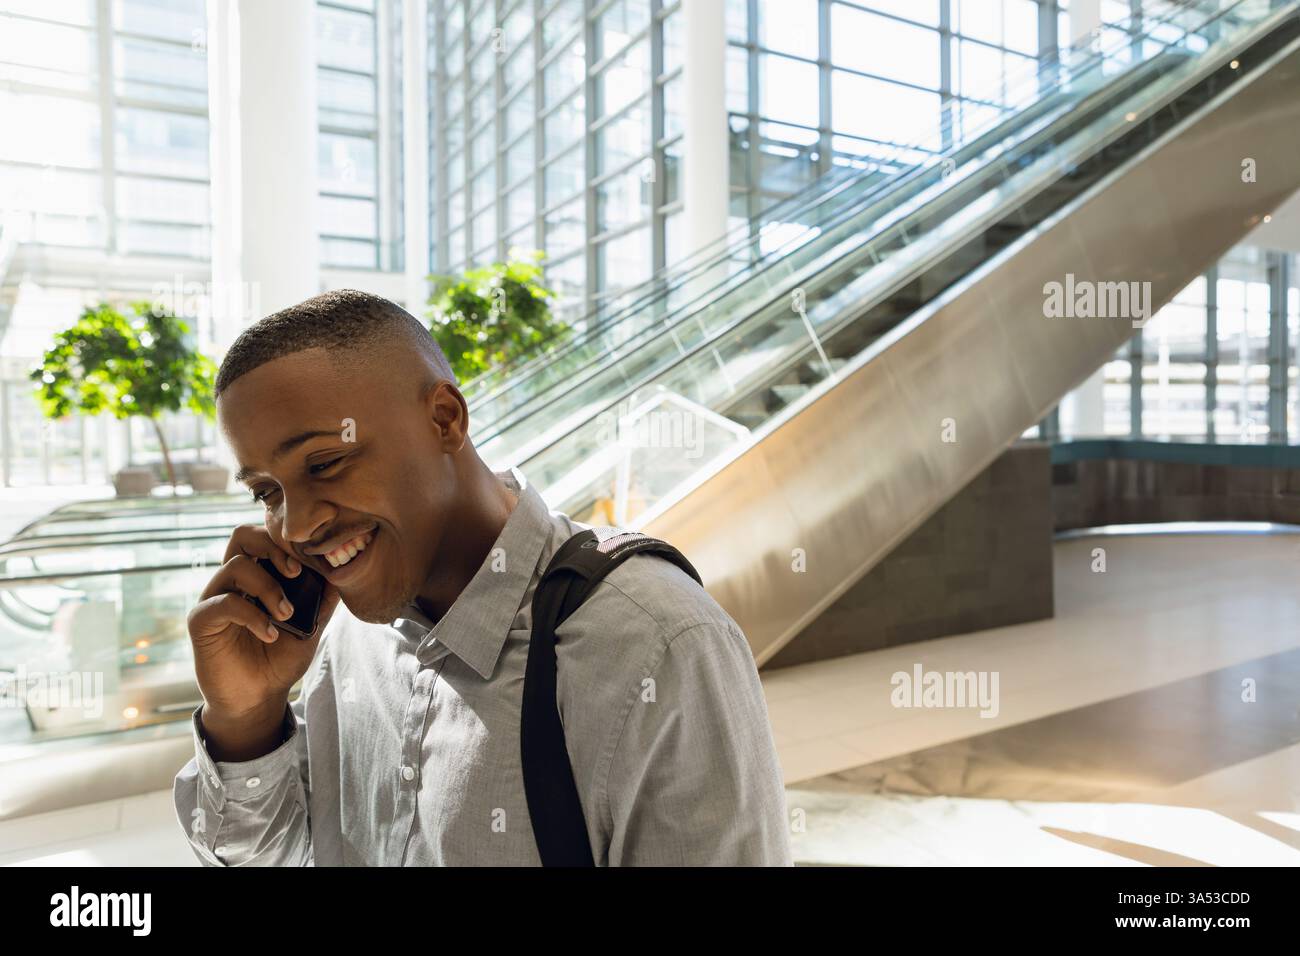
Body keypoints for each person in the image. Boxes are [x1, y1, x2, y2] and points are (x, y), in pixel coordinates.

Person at [173, 289, 792, 866]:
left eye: (326, 462)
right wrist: (247, 717)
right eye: (266, 491)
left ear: (445, 419)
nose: (296, 526)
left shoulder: (658, 644)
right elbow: (269, 856)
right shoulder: (347, 636)